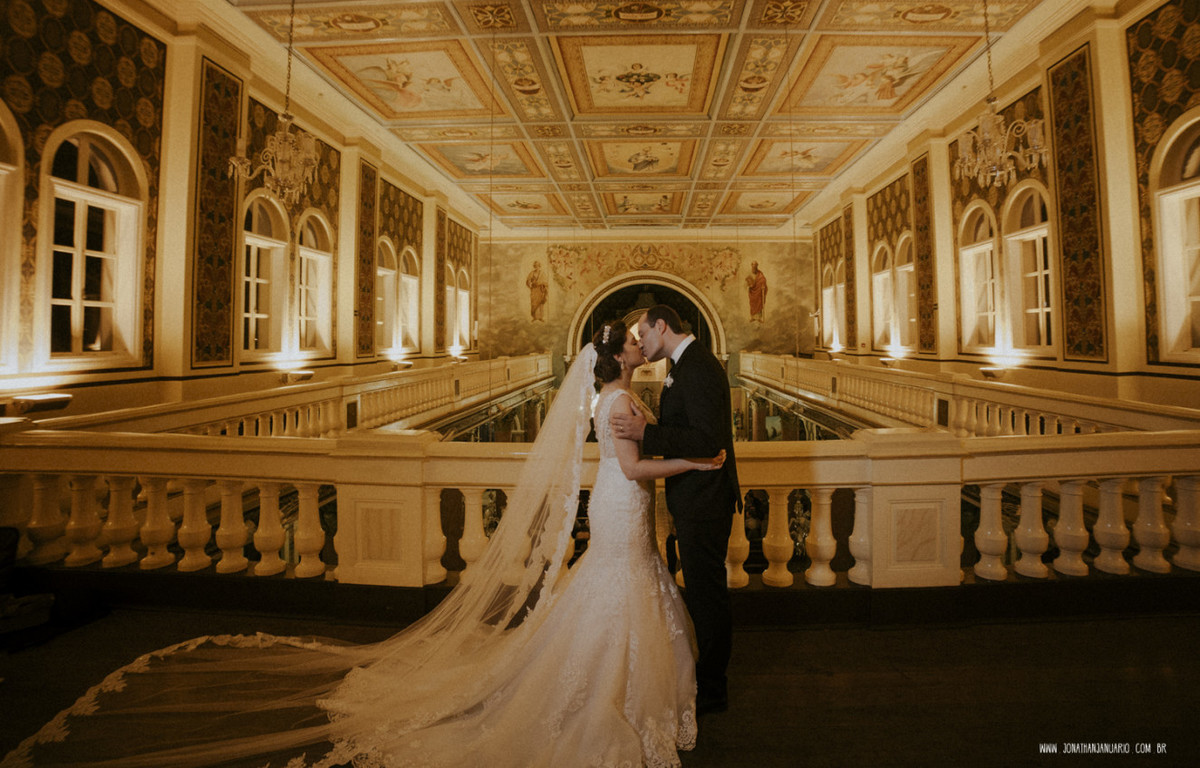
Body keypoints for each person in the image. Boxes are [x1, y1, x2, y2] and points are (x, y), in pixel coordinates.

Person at [3, 322, 722, 768]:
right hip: (626, 501)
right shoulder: (620, 400)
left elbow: (628, 457)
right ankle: (602, 688)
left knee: (612, 585)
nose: (638, 344)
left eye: (639, 338)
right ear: (617, 363)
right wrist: (695, 461)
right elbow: (632, 465)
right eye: (631, 342)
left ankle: (597, 674)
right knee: (618, 584)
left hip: (622, 508)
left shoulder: (606, 399)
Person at [612, 304, 741, 716]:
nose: (642, 346)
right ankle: (709, 678)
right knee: (703, 593)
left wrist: (646, 433)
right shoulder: (685, 365)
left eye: (643, 335)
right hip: (695, 498)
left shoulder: (698, 367)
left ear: (661, 326)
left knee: (707, 596)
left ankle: (714, 688)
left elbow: (706, 440)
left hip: (704, 501)